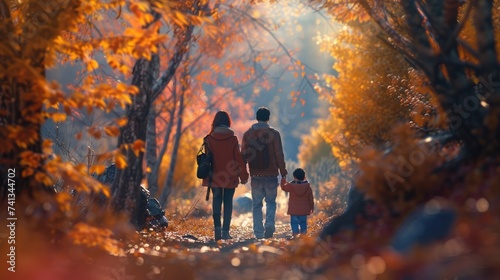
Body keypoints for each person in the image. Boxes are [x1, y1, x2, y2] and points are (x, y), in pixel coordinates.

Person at [242, 106, 287, 239]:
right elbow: (279, 154)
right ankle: (269, 225)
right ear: (268, 118)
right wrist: (283, 172)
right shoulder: (274, 134)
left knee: (256, 204)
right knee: (271, 202)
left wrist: (243, 174)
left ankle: (258, 233)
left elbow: (243, 155)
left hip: (255, 175)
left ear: (257, 118)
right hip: (271, 175)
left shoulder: (248, 134)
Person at [203, 111, 249, 240]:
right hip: (230, 176)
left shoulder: (209, 139)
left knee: (216, 201)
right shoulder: (232, 139)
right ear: (227, 122)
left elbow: (206, 159)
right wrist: (244, 176)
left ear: (215, 122)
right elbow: (238, 159)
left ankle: (217, 229)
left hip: (214, 176)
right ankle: (225, 231)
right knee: (228, 202)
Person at [280, 168, 314, 236]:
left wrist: (283, 179)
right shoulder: (307, 187)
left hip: (294, 210)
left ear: (294, 177)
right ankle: (304, 237)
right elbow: (311, 199)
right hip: (304, 210)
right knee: (303, 223)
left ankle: (295, 236)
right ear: (304, 177)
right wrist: (311, 207)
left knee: (294, 223)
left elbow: (283, 187)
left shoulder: (291, 186)